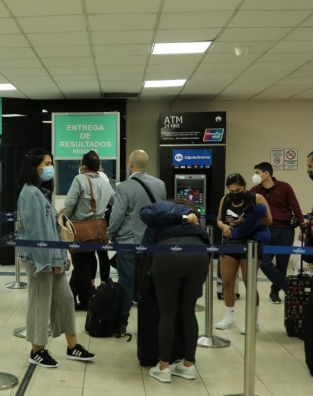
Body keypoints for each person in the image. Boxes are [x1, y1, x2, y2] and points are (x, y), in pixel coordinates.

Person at [17, 147, 96, 368]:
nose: (50, 168)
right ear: (35, 168)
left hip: (54, 259)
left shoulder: (40, 193)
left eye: (51, 163)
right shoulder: (30, 193)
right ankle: (37, 349)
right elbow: (37, 233)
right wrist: (48, 262)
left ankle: (73, 346)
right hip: (39, 260)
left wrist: (62, 257)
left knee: (65, 300)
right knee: (40, 303)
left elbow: (52, 230)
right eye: (47, 164)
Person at [140, 199, 210, 383]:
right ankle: (188, 365)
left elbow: (144, 215)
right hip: (199, 253)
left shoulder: (159, 207)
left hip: (167, 253)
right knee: (188, 311)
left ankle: (163, 367)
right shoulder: (193, 217)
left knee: (167, 312)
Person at [107, 149, 166, 334]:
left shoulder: (124, 187)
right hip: (151, 242)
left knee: (126, 283)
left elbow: (117, 216)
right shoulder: (160, 184)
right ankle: (150, 326)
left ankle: (122, 324)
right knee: (149, 285)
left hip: (128, 242)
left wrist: (110, 234)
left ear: (131, 164)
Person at [215, 173, 272, 334]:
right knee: (227, 282)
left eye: (238, 190)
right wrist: (223, 227)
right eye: (231, 191)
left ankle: (253, 321)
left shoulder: (256, 198)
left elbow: (269, 219)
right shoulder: (225, 200)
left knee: (249, 283)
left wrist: (246, 221)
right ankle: (229, 316)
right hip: (230, 244)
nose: (235, 193)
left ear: (245, 185)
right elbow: (219, 219)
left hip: (251, 244)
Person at [63, 151, 115, 310]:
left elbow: (69, 204)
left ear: (83, 166)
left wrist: (65, 221)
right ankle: (81, 294)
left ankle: (86, 299)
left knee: (80, 265)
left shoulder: (79, 179)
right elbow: (114, 202)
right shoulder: (106, 183)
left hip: (80, 230)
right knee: (90, 261)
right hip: (97, 230)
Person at [250, 162, 306, 304]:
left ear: (266, 173)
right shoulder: (254, 190)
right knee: (264, 261)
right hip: (265, 230)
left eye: (257, 172)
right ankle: (287, 287)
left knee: (282, 263)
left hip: (285, 229)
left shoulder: (284, 187)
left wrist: (303, 227)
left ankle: (275, 291)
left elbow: (295, 206)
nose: (255, 175)